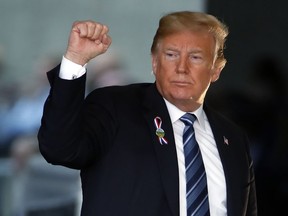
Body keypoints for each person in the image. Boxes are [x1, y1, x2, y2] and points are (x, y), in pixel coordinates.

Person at [38, 11, 257, 216]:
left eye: (196, 57)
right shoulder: (116, 107)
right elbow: (59, 148)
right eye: (171, 55)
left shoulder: (233, 138)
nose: (182, 67)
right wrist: (75, 59)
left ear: (216, 69)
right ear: (154, 61)